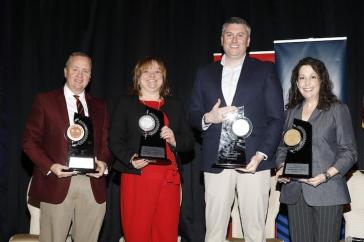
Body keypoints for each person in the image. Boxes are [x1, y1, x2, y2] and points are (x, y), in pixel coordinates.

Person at [189, 17, 284, 242]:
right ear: (221, 40)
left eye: (240, 35)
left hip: (254, 163)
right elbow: (192, 114)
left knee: (254, 230)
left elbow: (276, 118)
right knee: (214, 230)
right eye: (229, 35)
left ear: (248, 40)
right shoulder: (204, 73)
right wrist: (208, 117)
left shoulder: (265, 71)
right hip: (215, 162)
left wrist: (261, 155)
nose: (234, 39)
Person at [22, 52, 112, 242]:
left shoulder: (100, 106)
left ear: (90, 77)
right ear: (65, 72)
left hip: (92, 184)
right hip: (58, 180)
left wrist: (103, 163)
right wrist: (51, 166)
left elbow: (107, 142)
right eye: (75, 69)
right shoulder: (45, 101)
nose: (80, 75)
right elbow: (29, 142)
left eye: (85, 71)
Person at [109, 57, 194, 242]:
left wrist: (174, 139)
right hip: (137, 175)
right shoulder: (125, 104)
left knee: (166, 232)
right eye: (146, 72)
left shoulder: (176, 105)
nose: (152, 76)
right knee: (137, 231)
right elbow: (114, 140)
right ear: (138, 78)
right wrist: (130, 158)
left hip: (168, 178)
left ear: (163, 78)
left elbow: (189, 142)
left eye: (157, 72)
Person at [276, 57, 357, 242]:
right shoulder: (290, 112)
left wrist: (326, 175)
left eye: (312, 77)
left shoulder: (336, 109)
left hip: (327, 190)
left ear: (322, 80)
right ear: (296, 82)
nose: (307, 83)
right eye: (302, 78)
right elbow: (282, 147)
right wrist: (282, 167)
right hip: (295, 191)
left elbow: (349, 151)